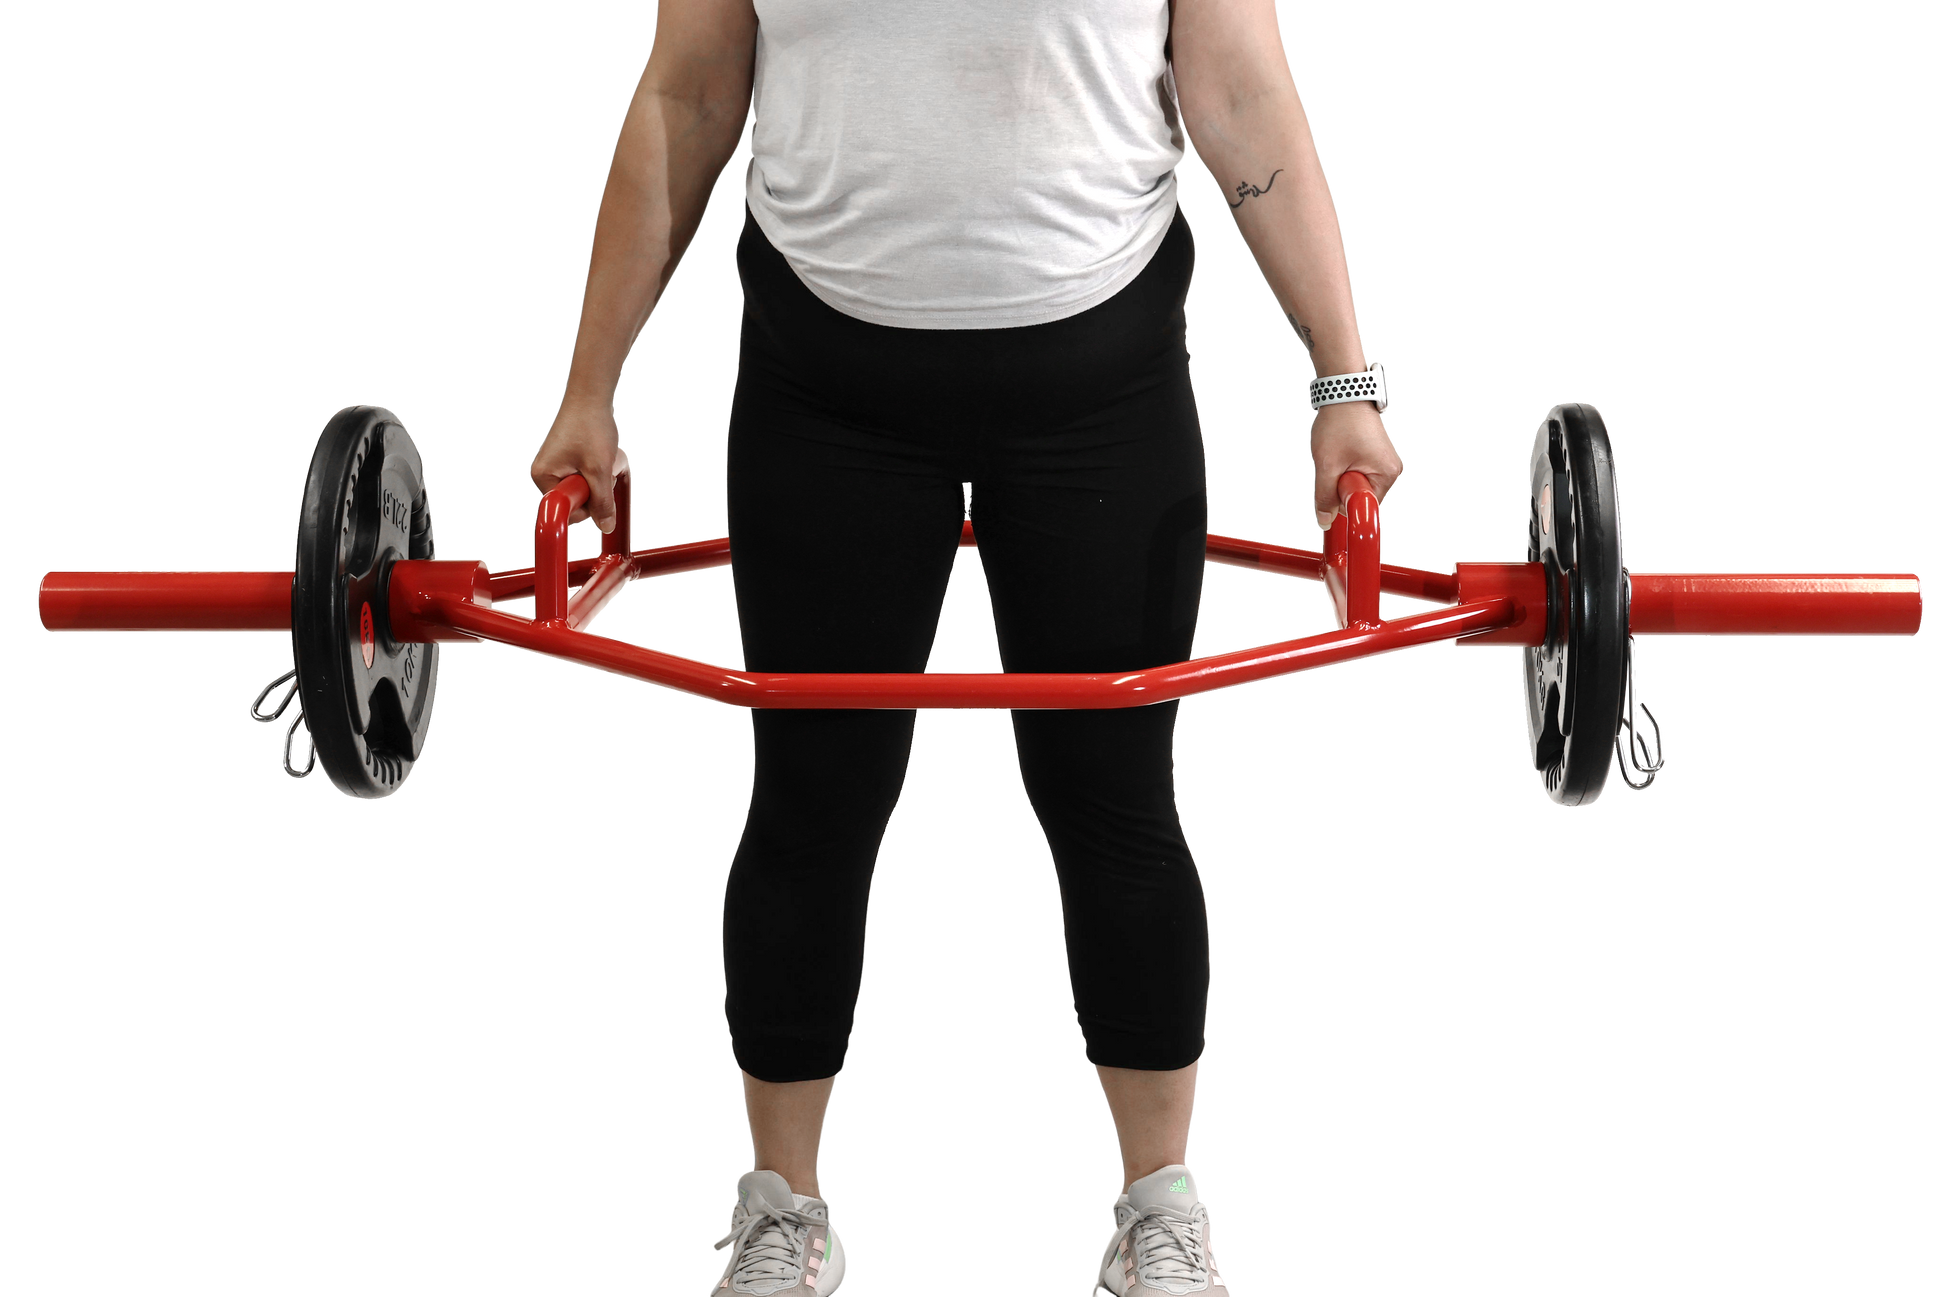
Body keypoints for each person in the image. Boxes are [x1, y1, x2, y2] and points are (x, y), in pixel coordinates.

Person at [527, 2, 1404, 1292]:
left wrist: (1343, 381)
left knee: (1112, 792)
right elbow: (688, 98)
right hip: (826, 390)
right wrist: (590, 390)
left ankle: (1160, 1208)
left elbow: (1240, 94)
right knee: (816, 791)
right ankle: (782, 1209)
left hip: (1102, 387)